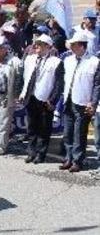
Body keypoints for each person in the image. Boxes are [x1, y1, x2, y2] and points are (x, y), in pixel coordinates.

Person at [19, 34, 64, 164]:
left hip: (45, 99)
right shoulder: (30, 59)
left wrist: (52, 100)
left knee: (44, 129)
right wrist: (22, 93)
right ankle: (31, 152)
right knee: (32, 127)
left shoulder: (56, 62)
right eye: (36, 43)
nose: (36, 46)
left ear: (48, 47)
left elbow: (58, 84)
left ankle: (41, 153)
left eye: (40, 44)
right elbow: (24, 77)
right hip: (31, 97)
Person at [60, 31, 100, 173]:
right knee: (67, 132)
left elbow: (97, 85)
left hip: (83, 102)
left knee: (79, 134)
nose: (71, 47)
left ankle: (78, 160)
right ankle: (68, 158)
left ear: (82, 46)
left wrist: (93, 102)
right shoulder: (68, 60)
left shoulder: (94, 62)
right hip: (69, 100)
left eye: (74, 44)